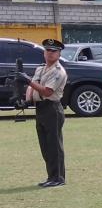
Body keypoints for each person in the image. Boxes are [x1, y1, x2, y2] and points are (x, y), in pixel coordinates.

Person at [24, 38, 68, 188]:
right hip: (41, 108)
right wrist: (27, 99)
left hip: (52, 108)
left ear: (59, 54)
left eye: (53, 51)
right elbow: (33, 88)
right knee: (45, 145)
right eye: (47, 50)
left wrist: (28, 82)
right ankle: (51, 176)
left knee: (54, 145)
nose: (49, 53)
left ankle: (58, 178)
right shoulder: (40, 69)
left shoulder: (58, 71)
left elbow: (47, 91)